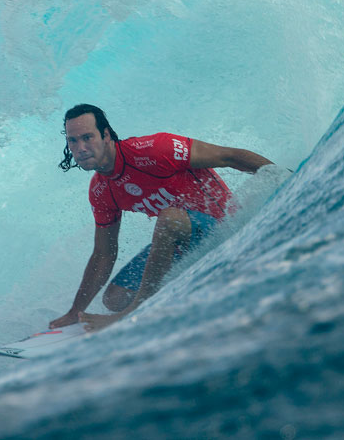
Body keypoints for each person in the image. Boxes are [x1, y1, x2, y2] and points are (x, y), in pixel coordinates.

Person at [50, 104, 273, 332]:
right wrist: (74, 311)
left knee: (169, 219)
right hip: (185, 243)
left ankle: (135, 311)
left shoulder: (154, 150)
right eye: (73, 141)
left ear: (106, 135)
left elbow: (229, 156)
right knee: (114, 298)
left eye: (87, 137)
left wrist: (285, 180)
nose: (81, 148)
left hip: (222, 228)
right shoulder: (101, 191)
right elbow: (104, 254)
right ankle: (172, 299)